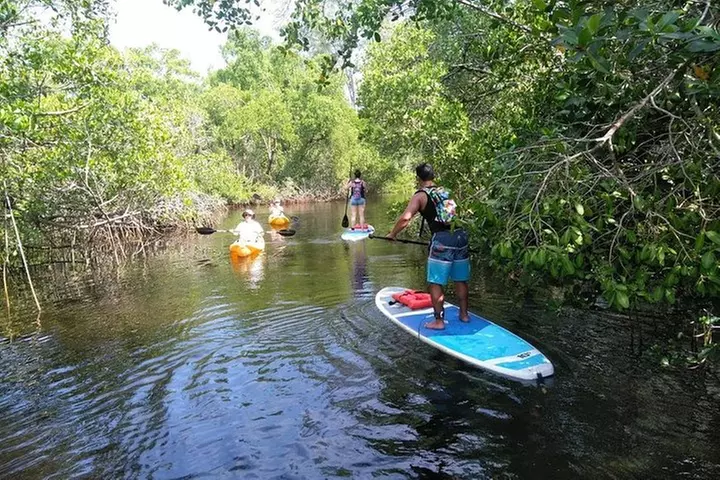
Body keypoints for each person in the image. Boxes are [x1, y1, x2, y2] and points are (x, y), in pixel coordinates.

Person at [387, 163, 469, 330]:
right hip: (460, 237)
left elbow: (405, 219)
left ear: (418, 179)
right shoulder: (445, 191)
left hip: (442, 240)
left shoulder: (420, 195)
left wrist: (392, 234)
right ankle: (464, 315)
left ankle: (438, 321)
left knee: (436, 283)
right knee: (461, 279)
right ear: (433, 176)